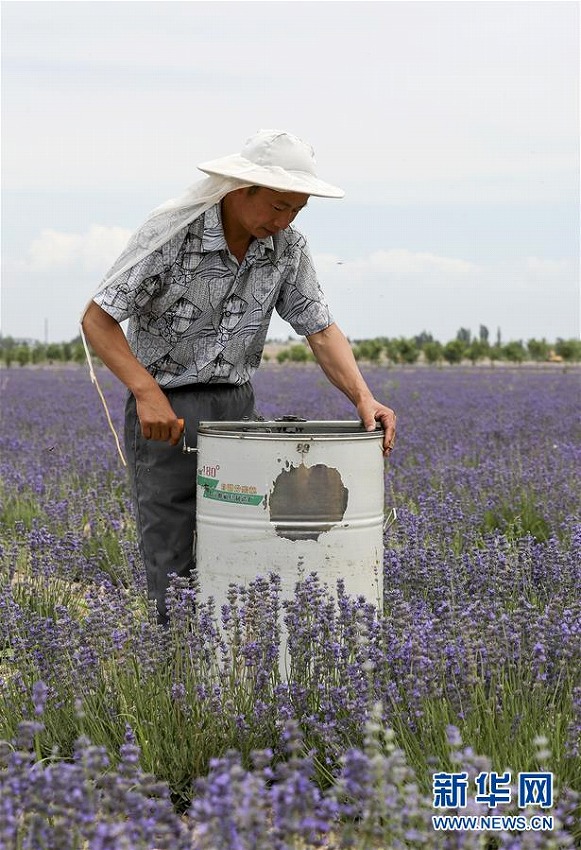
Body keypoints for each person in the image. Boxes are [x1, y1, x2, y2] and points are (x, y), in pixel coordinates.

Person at [81, 129, 396, 624]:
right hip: (168, 411)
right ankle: (178, 667)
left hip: (237, 409)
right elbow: (97, 319)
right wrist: (145, 393)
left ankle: (236, 666)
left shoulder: (287, 248)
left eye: (295, 210)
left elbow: (319, 328)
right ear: (239, 188)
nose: (284, 220)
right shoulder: (169, 233)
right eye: (277, 206)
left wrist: (364, 396)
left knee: (246, 541)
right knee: (172, 544)